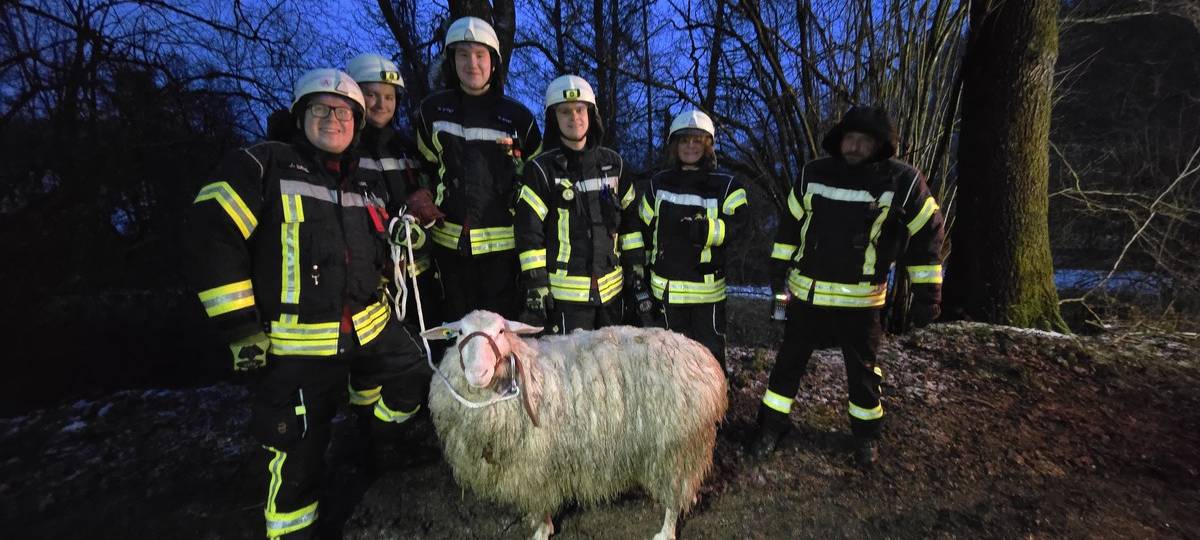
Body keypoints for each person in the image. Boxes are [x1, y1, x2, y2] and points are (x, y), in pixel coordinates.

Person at [185, 68, 428, 539]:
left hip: (370, 328)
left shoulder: (364, 184)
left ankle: (374, 437)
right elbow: (211, 234)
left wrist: (405, 241)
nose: (332, 119)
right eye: (320, 109)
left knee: (417, 376)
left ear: (357, 123)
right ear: (300, 116)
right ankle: (294, 530)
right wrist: (239, 327)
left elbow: (376, 254)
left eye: (343, 112)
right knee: (299, 456)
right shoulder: (262, 165)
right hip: (296, 346)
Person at [750, 106, 946, 468]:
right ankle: (770, 427)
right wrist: (777, 273)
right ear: (839, 141)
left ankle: (866, 437)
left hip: (862, 303)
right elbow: (790, 227)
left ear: (879, 146)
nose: (854, 147)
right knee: (787, 366)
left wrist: (926, 296)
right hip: (806, 296)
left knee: (863, 375)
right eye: (849, 139)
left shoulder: (902, 181)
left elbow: (927, 236)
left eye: (864, 141)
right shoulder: (813, 174)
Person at [414, 16, 542, 321]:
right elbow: (424, 166)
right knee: (456, 332)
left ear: (494, 62)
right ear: (451, 61)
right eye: (463, 54)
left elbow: (536, 177)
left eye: (480, 54)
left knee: (499, 335)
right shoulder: (431, 112)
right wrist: (420, 194)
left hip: (503, 250)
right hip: (450, 248)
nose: (472, 63)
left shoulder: (519, 118)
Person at [514, 75, 641, 333]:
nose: (574, 118)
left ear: (591, 114)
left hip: (611, 297)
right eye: (565, 112)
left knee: (611, 370)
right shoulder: (540, 170)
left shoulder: (614, 165)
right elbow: (529, 233)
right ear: (554, 119)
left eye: (580, 109)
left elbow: (631, 223)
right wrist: (536, 284)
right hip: (566, 302)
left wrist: (636, 266)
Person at [635, 110, 749, 369]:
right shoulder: (658, 184)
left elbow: (740, 225)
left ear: (708, 146)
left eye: (697, 140)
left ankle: (717, 410)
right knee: (667, 363)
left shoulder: (727, 186)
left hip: (706, 296)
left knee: (709, 364)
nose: (690, 146)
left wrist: (708, 231)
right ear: (674, 146)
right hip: (665, 293)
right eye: (684, 140)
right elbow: (642, 230)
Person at [346, 52, 444, 328]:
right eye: (372, 95)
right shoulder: (343, 150)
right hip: (369, 283)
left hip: (419, 281)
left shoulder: (407, 148)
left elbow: (432, 194)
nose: (381, 104)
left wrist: (424, 230)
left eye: (389, 97)